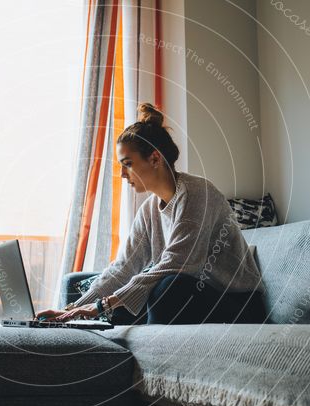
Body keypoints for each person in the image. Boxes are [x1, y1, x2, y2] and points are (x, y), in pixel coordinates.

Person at [36, 103, 267, 325]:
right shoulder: (149, 210)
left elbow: (177, 265)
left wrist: (102, 305)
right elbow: (123, 268)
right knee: (127, 301)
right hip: (190, 295)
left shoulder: (198, 193)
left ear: (155, 158)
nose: (122, 174)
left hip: (239, 303)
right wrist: (71, 310)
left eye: (127, 163)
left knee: (166, 290)